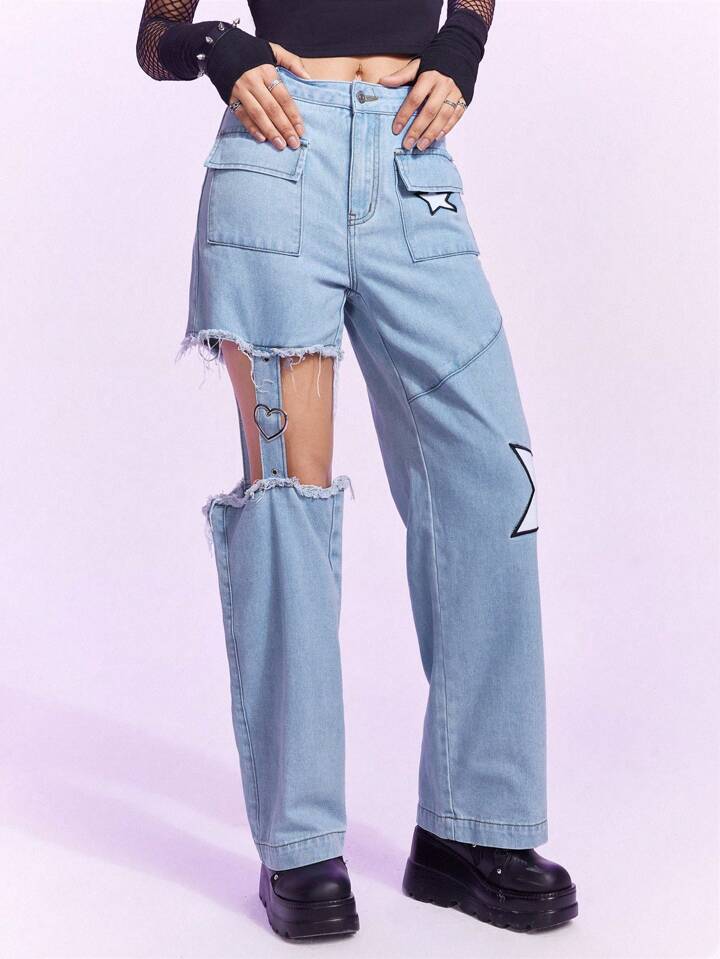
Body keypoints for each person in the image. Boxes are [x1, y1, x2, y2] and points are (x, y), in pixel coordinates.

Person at [136, 0, 578, 939]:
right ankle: (300, 843)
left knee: (494, 484)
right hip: (278, 152)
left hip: (412, 161)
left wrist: (463, 44)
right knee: (290, 501)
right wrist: (217, 48)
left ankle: (470, 828)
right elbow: (156, 35)